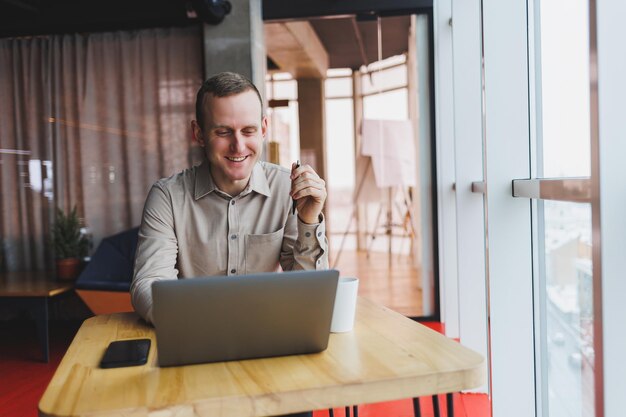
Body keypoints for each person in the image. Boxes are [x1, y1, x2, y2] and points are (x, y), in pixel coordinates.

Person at [130, 71, 329, 325]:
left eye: (248, 131)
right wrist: (206, 322)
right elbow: (148, 285)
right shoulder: (167, 197)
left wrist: (309, 221)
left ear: (264, 129)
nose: (238, 146)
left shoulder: (284, 188)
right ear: (199, 133)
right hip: (195, 334)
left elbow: (309, 293)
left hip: (268, 334)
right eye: (223, 132)